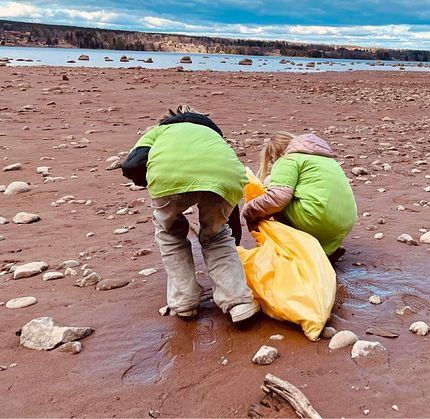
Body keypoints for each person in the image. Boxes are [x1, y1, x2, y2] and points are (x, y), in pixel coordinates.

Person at [121, 105, 260, 323]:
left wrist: (148, 180)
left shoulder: (159, 131)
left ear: (168, 120)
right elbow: (231, 216)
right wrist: (232, 235)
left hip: (168, 177)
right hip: (227, 177)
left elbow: (131, 164)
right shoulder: (212, 134)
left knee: (170, 235)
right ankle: (239, 302)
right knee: (217, 236)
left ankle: (185, 301)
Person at [242, 131, 357, 263]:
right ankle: (327, 249)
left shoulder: (288, 159)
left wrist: (249, 211)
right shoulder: (326, 159)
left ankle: (295, 247)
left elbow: (277, 199)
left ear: (274, 155)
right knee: (290, 194)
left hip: (318, 218)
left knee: (269, 186)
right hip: (345, 223)